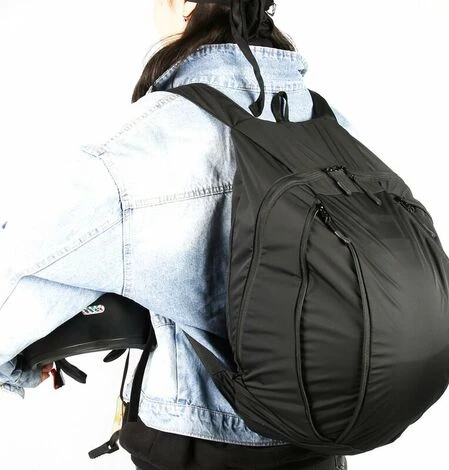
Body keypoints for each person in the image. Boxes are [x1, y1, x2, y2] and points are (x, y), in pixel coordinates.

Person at [0, 1, 356, 468]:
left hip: (203, 440)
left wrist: (19, 365)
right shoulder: (328, 121)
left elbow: (21, 265)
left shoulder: (149, 139)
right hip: (320, 432)